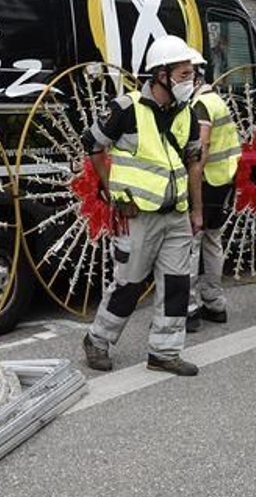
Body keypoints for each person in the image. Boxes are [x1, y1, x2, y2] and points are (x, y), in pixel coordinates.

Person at [81, 34, 205, 376]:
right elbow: (92, 144)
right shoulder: (126, 108)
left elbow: (194, 162)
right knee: (129, 284)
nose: (190, 80)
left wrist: (197, 211)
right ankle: (98, 339)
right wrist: (113, 192)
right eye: (183, 74)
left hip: (176, 215)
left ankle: (164, 352)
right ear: (161, 74)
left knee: (178, 285)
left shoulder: (187, 114)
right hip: (138, 217)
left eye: (191, 73)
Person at [187, 45, 240, 332]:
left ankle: (189, 309)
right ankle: (215, 303)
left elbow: (202, 149)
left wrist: (189, 183)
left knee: (192, 243)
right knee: (212, 241)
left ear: (195, 76)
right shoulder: (216, 100)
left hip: (206, 182)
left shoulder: (201, 105)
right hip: (222, 181)